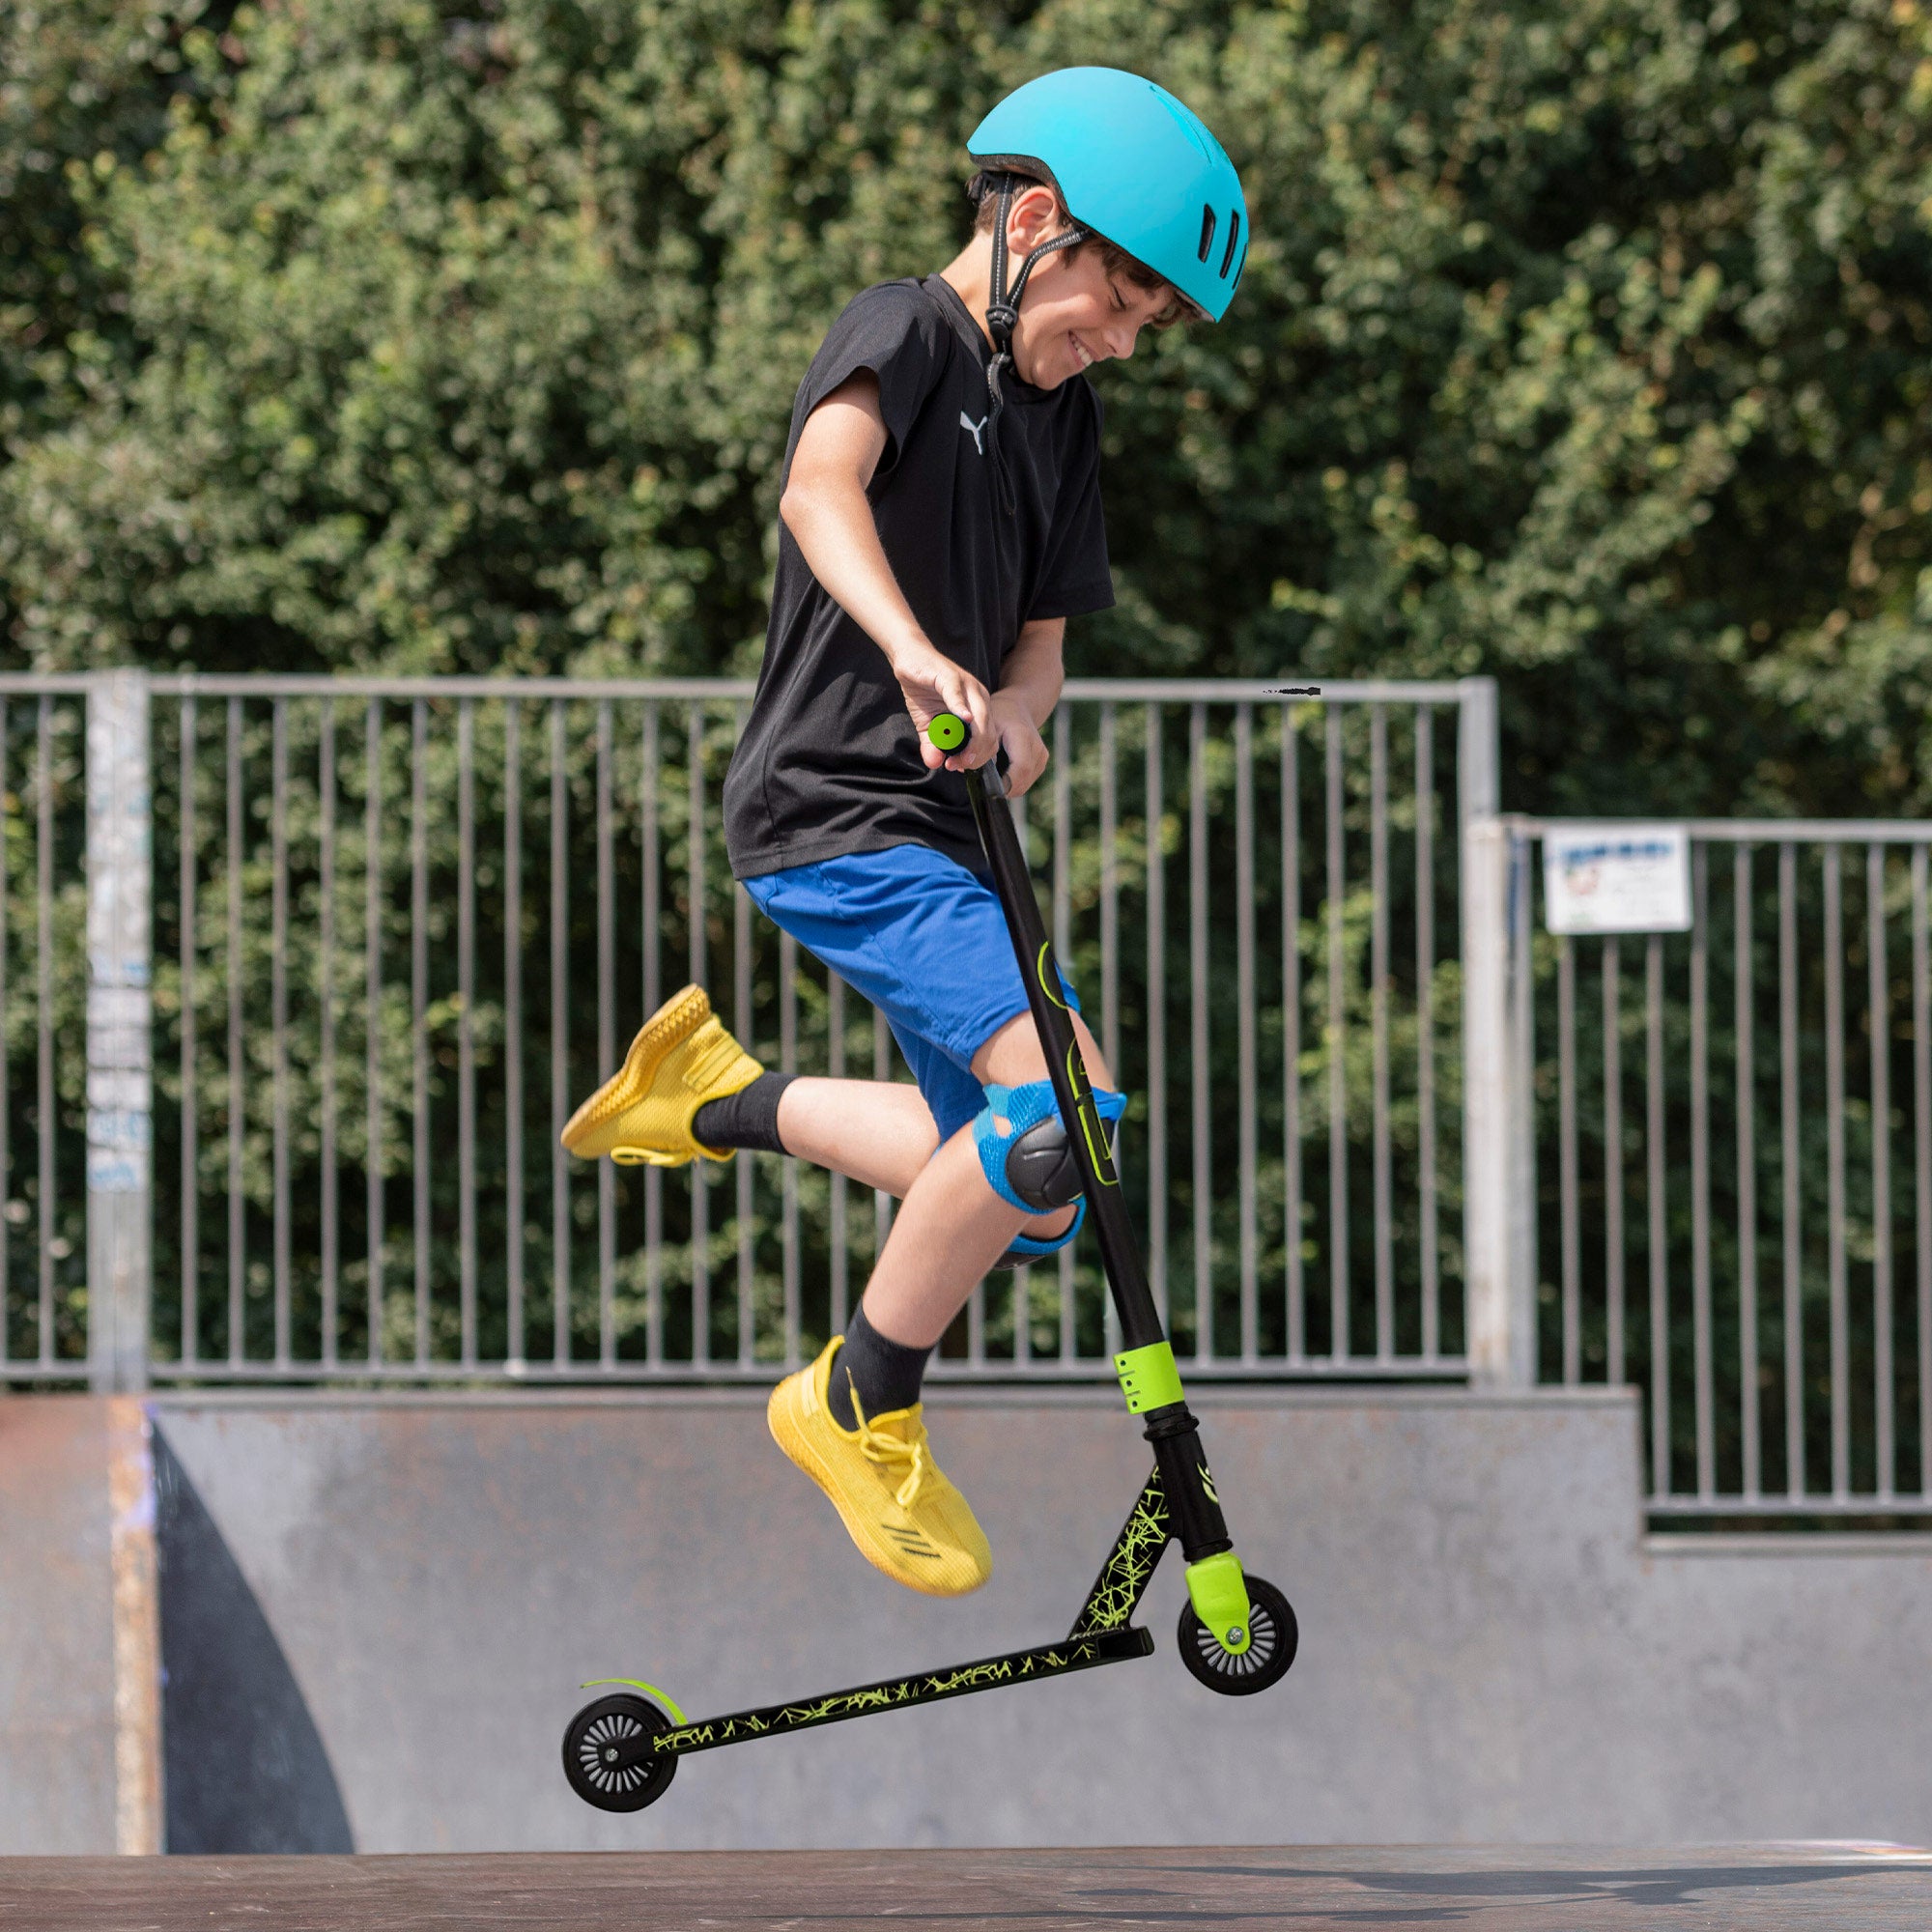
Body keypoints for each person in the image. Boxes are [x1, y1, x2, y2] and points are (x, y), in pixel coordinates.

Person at [563, 68, 1249, 1598]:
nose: (1123, 343)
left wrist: (1016, 706)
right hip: (832, 804)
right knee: (1058, 1121)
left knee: (1034, 1174)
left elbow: (1047, 646)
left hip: (942, 825)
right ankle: (859, 1398)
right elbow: (821, 493)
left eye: (1147, 329)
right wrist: (908, 648)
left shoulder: (1065, 422)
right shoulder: (905, 331)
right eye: (1118, 302)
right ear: (1032, 222)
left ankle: (716, 1097)